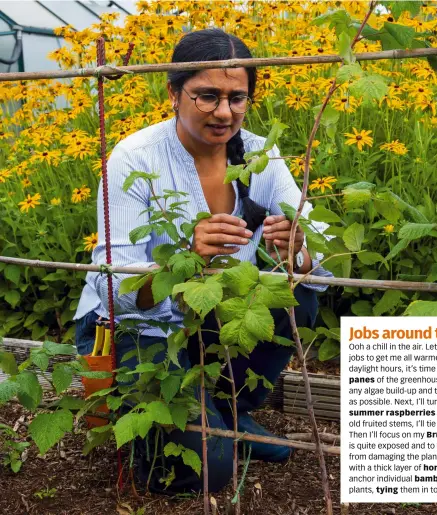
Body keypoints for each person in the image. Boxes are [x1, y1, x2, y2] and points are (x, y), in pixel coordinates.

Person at [74, 28, 332, 494]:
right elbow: (114, 289)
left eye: (237, 98)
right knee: (202, 471)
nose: (224, 112)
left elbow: (319, 245)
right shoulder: (135, 158)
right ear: (173, 92)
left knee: (297, 292)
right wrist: (184, 258)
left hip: (213, 321)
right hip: (142, 329)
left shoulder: (259, 154)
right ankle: (205, 424)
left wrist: (296, 246)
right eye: (207, 96)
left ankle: (227, 408)